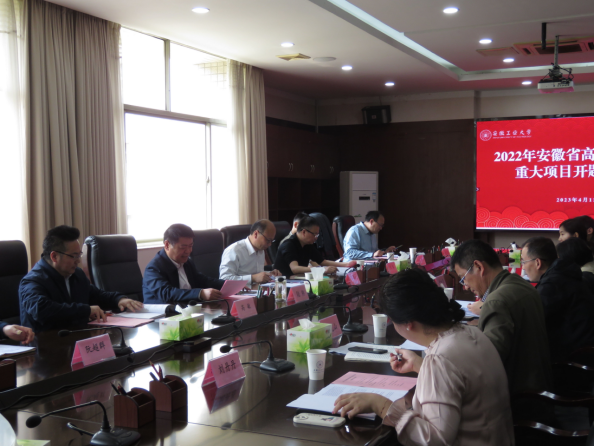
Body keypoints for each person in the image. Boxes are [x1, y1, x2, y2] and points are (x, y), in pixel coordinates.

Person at [333, 269, 514, 446]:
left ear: (408, 323)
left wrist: (380, 405)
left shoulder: (440, 358)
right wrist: (420, 365)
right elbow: (462, 380)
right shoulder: (471, 333)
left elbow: (434, 439)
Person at [451, 239, 552, 395]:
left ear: (479, 267)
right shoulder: (521, 284)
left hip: (517, 397)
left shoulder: (496, 302)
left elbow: (487, 364)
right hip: (539, 388)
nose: (465, 286)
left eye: (463, 277)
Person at [19, 225, 142, 332]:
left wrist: (118, 299)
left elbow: (96, 295)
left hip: (76, 338)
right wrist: (86, 310)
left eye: (79, 255)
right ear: (54, 256)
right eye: (74, 256)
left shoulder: (76, 274)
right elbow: (42, 310)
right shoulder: (32, 281)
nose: (78, 261)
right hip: (47, 344)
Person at [522, 237, 593, 358]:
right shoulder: (563, 274)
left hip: (575, 358)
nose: (523, 267)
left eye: (524, 262)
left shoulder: (553, 284)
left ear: (538, 263)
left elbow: (529, 319)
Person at [143, 224, 225, 304]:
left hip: (187, 309)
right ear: (167, 245)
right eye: (183, 247)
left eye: (190, 246)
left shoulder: (186, 262)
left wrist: (227, 284)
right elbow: (166, 293)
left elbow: (202, 280)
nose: (188, 251)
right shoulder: (153, 268)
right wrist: (200, 294)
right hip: (163, 311)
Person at [274, 216, 356, 277]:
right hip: (284, 282)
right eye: (314, 234)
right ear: (304, 232)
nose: (316, 238)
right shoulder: (288, 244)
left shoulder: (307, 245)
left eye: (317, 235)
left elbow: (323, 262)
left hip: (299, 279)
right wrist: (322, 270)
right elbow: (295, 269)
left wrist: (347, 264)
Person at [219, 219, 281, 284]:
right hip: (240, 290)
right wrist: (252, 278)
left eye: (272, 241)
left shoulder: (261, 250)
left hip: (257, 289)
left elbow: (257, 275)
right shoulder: (234, 250)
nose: (270, 244)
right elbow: (224, 279)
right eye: (268, 240)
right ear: (256, 234)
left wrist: (269, 274)